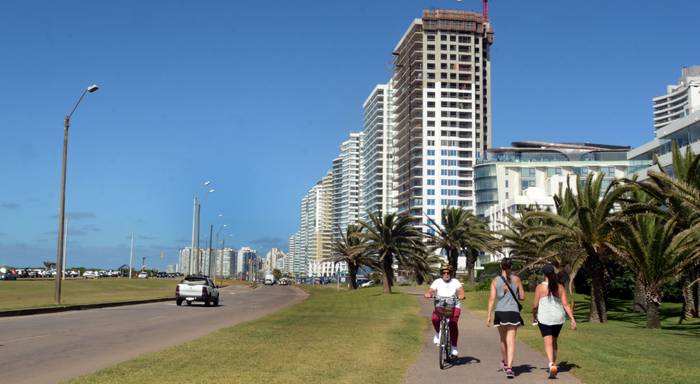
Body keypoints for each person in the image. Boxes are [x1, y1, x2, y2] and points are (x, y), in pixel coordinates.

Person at [532, 264, 577, 379]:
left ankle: (551, 364)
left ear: (544, 274)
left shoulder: (540, 287)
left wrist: (534, 315)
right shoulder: (560, 287)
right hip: (558, 318)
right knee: (554, 341)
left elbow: (535, 305)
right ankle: (554, 364)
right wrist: (572, 319)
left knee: (548, 341)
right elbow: (566, 304)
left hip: (545, 318)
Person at [486, 257, 525, 379]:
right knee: (511, 341)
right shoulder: (517, 279)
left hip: (500, 313)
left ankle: (505, 362)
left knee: (503, 340)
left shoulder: (495, 281)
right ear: (511, 266)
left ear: (500, 266)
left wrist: (488, 316)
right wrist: (516, 290)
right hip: (513, 312)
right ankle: (509, 368)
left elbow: (492, 299)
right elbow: (522, 297)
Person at [424, 264, 465, 357]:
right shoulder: (437, 281)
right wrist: (428, 293)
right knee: (435, 318)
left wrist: (461, 295)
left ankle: (454, 347)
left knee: (453, 323)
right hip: (440, 304)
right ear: (441, 274)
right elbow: (431, 290)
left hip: (454, 304)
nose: (446, 274)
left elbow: (461, 290)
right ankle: (438, 333)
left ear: (451, 273)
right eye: (444, 272)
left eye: (448, 272)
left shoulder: (455, 281)